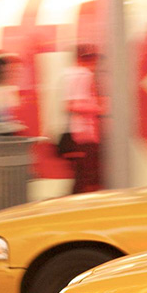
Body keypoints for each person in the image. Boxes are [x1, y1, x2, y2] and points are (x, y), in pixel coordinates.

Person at [62, 46, 106, 193]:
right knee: (88, 177)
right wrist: (100, 107)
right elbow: (73, 105)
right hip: (85, 133)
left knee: (83, 176)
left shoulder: (68, 74)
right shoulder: (83, 74)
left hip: (78, 133)